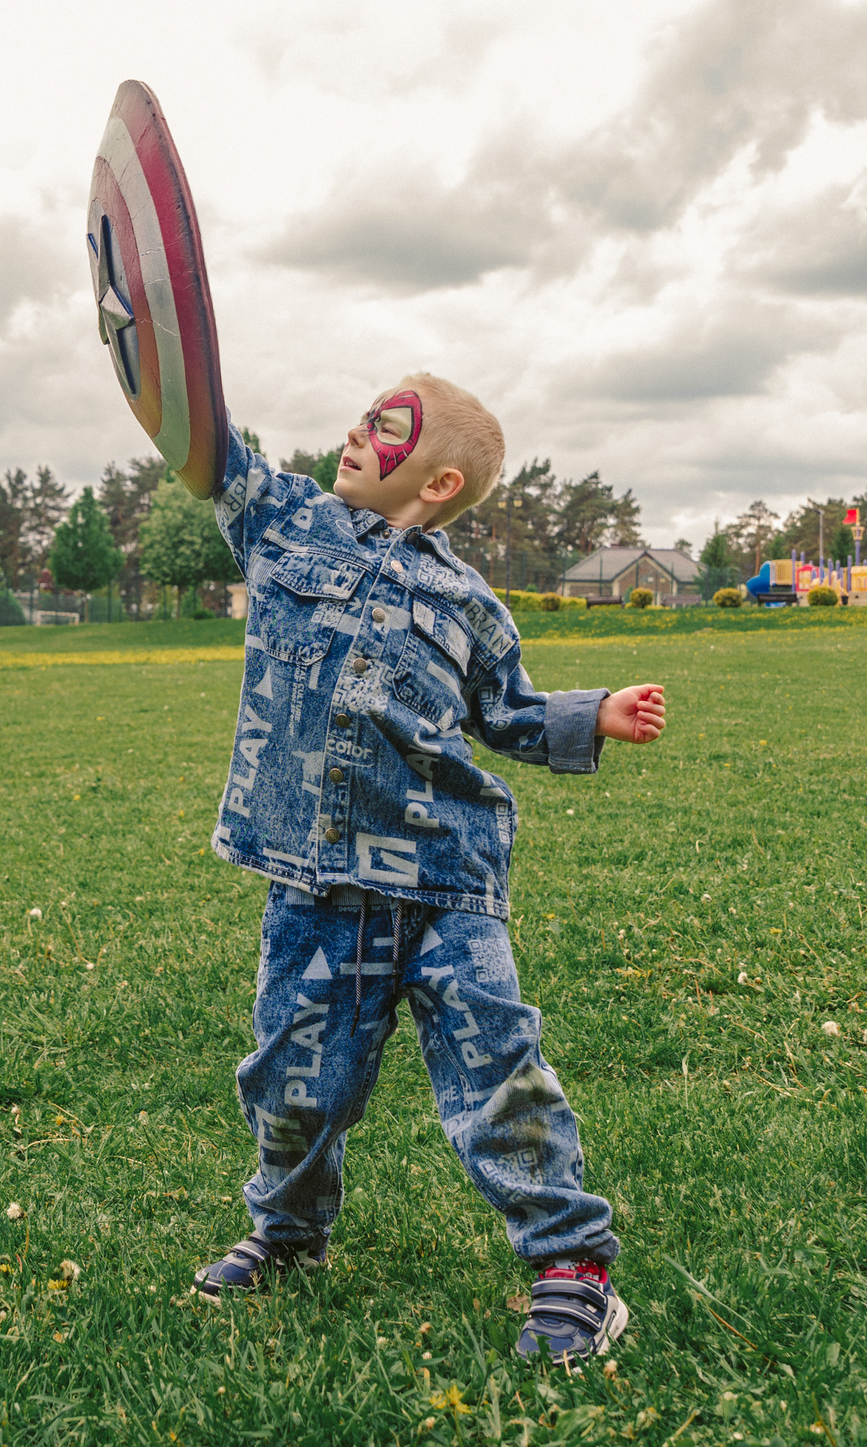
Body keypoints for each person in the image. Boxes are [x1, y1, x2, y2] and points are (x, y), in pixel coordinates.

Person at [184, 373, 669, 1367]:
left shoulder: (470, 606)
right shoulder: (284, 524)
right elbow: (208, 445)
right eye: (364, 414)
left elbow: (508, 713)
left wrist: (596, 714)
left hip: (447, 877)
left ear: (439, 481)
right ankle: (287, 1235)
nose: (356, 432)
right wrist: (160, 328)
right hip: (318, 880)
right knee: (295, 1084)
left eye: (386, 428)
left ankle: (573, 1267)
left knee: (498, 1070)